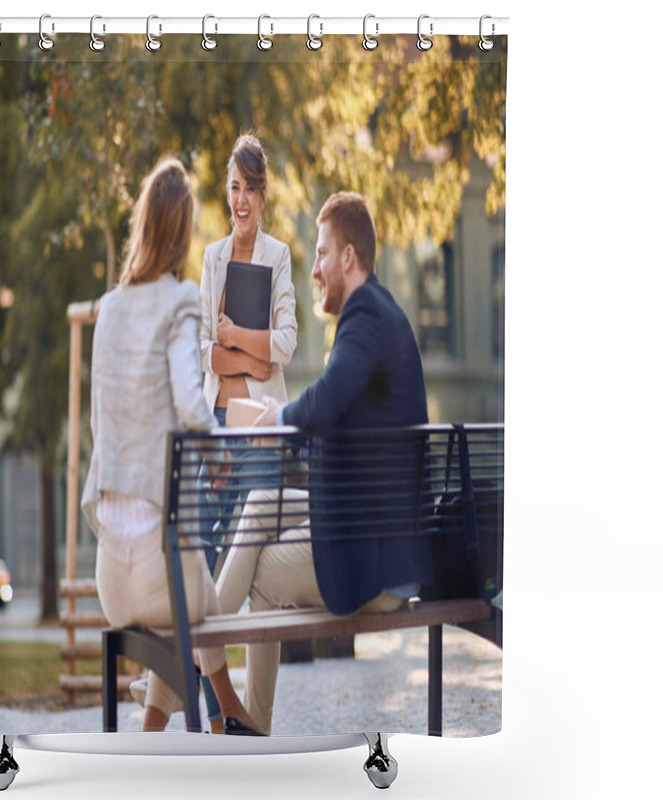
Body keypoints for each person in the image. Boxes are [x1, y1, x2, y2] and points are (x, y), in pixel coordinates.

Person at [214, 191, 433, 734]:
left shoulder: (366, 319)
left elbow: (329, 397)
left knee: (260, 578)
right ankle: (208, 680)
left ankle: (217, 687)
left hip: (374, 564)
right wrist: (282, 415)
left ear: (348, 258)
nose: (313, 270)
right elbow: (338, 412)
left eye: (320, 255)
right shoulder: (377, 314)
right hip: (368, 529)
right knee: (262, 500)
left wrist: (278, 418)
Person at [80, 158, 262, 735]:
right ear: (183, 232)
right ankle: (224, 710)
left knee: (193, 587)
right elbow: (191, 403)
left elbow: (97, 425)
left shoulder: (107, 310)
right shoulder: (180, 300)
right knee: (201, 595)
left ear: (141, 225)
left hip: (111, 579)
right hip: (163, 576)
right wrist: (216, 456)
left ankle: (184, 723)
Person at [196, 133, 298, 731]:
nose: (241, 199)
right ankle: (217, 711)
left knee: (259, 572)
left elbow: (283, 345)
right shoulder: (211, 259)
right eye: (233, 187)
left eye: (250, 189)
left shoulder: (278, 256)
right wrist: (247, 358)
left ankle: (256, 717)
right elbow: (204, 353)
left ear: (262, 195)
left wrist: (236, 339)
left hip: (260, 428)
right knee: (204, 554)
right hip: (218, 427)